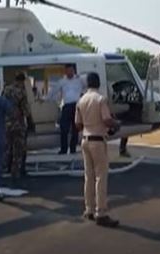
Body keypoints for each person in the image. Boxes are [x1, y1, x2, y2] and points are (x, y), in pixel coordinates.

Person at [75, 72, 120, 228]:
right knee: (101, 176)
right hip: (97, 141)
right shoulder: (100, 99)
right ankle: (101, 212)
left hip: (85, 140)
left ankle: (88, 209)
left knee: (88, 176)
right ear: (98, 83)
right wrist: (116, 124)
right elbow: (107, 119)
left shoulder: (81, 100)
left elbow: (78, 125)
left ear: (87, 84)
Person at [3, 72, 35, 184]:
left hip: (7, 123)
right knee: (19, 148)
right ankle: (17, 171)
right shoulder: (21, 91)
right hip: (18, 124)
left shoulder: (6, 89)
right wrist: (31, 122)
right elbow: (26, 110)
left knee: (8, 147)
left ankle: (6, 167)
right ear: (22, 81)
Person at [47, 64, 85, 154]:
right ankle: (63, 149)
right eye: (68, 71)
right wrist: (45, 99)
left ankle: (73, 149)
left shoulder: (79, 80)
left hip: (77, 106)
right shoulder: (62, 81)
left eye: (71, 71)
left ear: (74, 71)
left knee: (75, 129)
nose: (69, 73)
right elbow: (53, 91)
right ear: (65, 71)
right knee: (64, 129)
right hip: (67, 106)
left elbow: (88, 84)